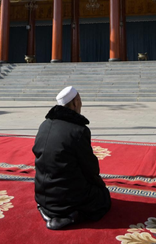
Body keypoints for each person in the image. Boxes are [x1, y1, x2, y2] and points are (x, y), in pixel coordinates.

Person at [32, 86, 111, 230]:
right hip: (67, 199)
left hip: (41, 195)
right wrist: (100, 186)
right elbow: (90, 169)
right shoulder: (79, 130)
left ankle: (47, 210)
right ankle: (71, 216)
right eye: (80, 101)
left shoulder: (44, 125)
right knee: (103, 198)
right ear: (75, 103)